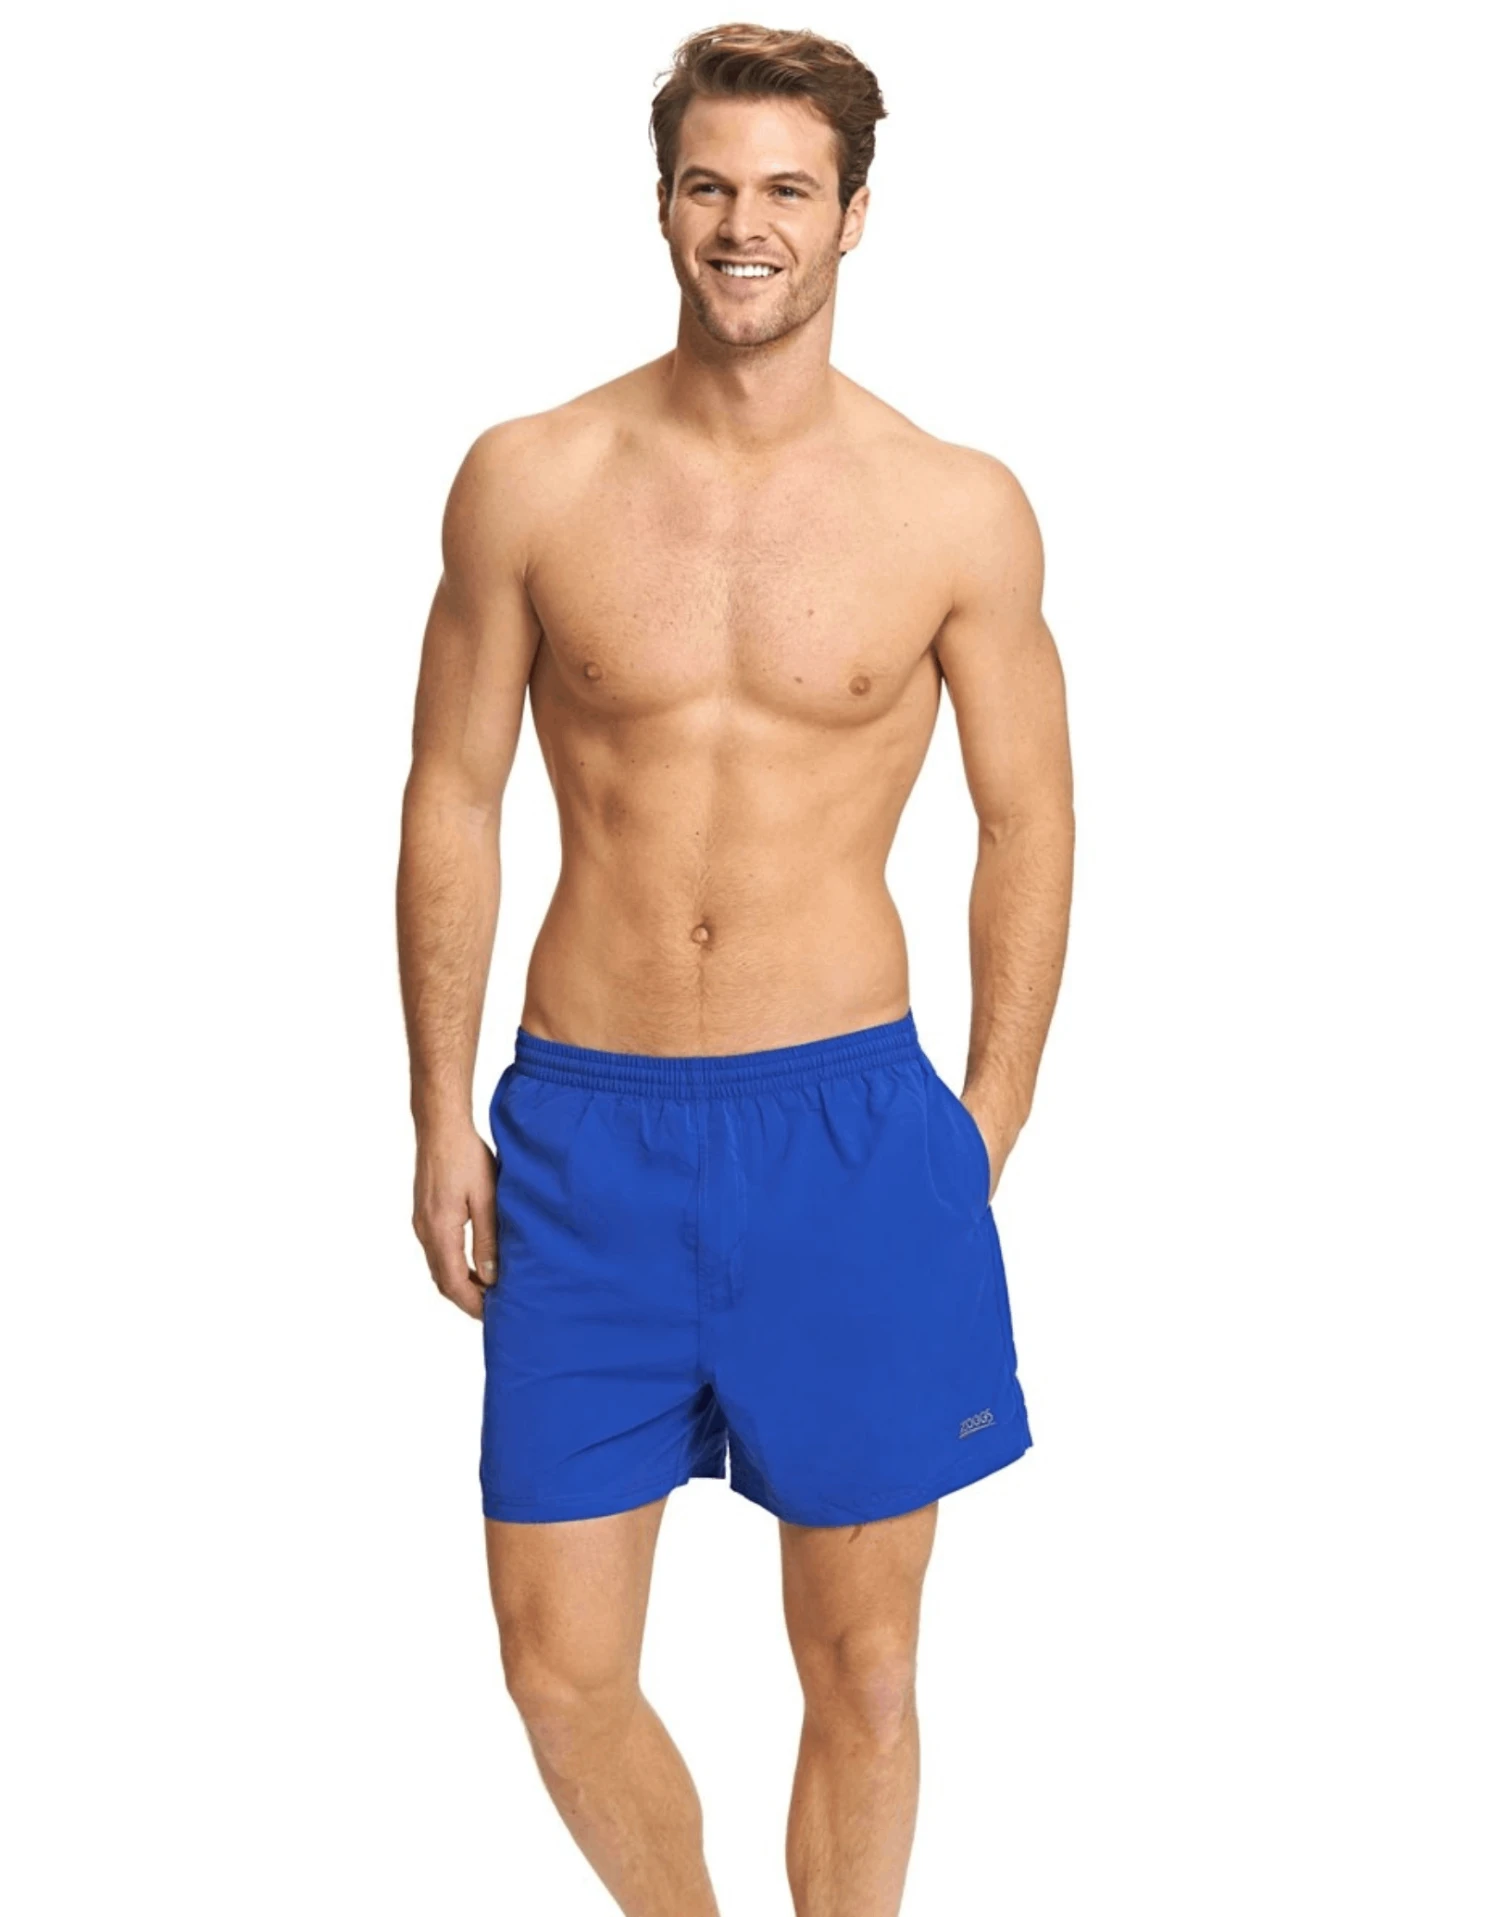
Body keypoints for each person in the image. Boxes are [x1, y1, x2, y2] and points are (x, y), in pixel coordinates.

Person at [395, 21, 1074, 1915]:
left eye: (788, 188)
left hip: (848, 1128)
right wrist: (439, 1114)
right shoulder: (531, 477)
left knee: (864, 1670)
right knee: (558, 1668)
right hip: (585, 1131)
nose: (744, 223)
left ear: (856, 216)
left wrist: (986, 1119)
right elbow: (452, 795)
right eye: (710, 184)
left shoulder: (957, 507)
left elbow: (1027, 820)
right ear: (663, 205)